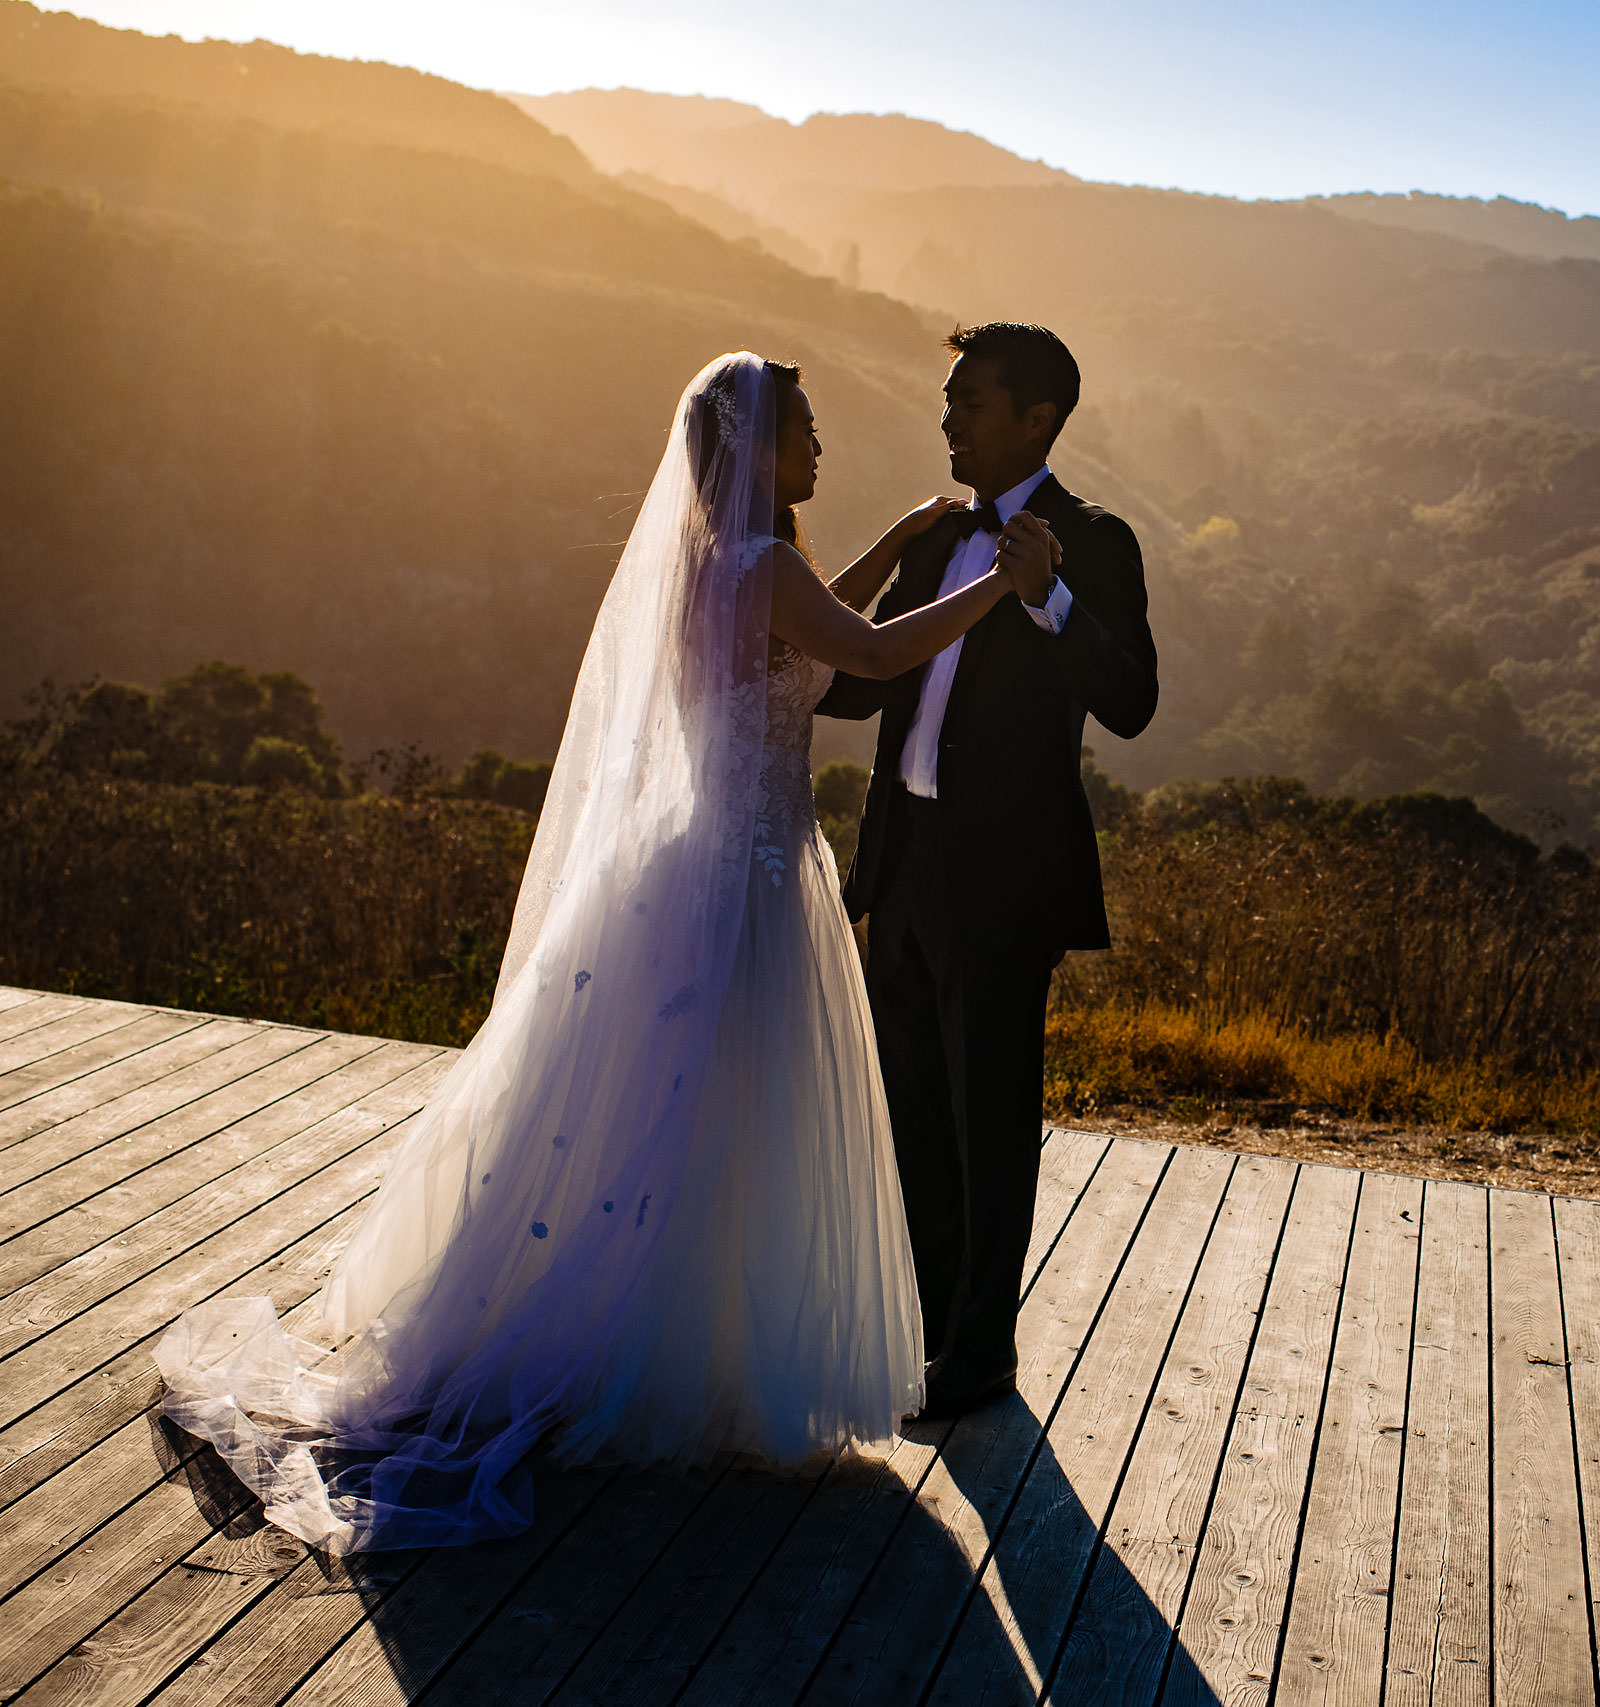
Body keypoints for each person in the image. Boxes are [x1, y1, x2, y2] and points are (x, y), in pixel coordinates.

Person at [152, 352, 1051, 1553]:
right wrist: (999, 581)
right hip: (747, 878)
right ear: (761, 453)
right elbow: (870, 654)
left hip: (692, 864)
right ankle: (683, 1357)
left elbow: (818, 622)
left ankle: (644, 1334)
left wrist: (896, 538)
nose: (822, 450)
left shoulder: (712, 563)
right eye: (808, 431)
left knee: (670, 1116)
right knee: (723, 1115)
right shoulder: (766, 567)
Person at [814, 322, 1157, 1421]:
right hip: (900, 867)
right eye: (949, 397)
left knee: (989, 1121)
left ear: (1037, 420)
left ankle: (978, 1357)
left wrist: (1047, 600)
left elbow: (1133, 701)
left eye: (969, 400)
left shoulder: (1095, 540)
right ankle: (916, 1330)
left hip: (1002, 887)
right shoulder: (933, 537)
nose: (947, 416)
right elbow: (860, 686)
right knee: (910, 1111)